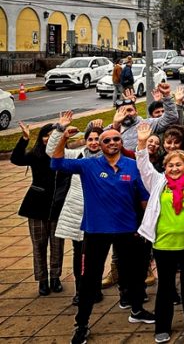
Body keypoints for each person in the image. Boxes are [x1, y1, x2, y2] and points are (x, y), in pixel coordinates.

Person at [51, 126, 154, 344]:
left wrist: (147, 227)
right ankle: (82, 324)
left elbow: (145, 199)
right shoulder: (88, 165)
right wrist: (63, 138)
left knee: (134, 274)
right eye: (106, 140)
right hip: (96, 231)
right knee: (90, 278)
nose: (112, 143)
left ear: (121, 142)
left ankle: (136, 309)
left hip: (127, 230)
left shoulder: (132, 166)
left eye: (116, 139)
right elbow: (56, 162)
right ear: (100, 145)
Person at [135, 118, 184, 343]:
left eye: (179, 164)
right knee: (166, 288)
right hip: (164, 244)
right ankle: (162, 326)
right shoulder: (157, 182)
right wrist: (141, 144)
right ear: (165, 167)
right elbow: (142, 165)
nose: (174, 168)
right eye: (170, 165)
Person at [45, 115, 104, 305]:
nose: (94, 142)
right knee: (79, 255)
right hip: (77, 213)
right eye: (90, 139)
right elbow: (51, 152)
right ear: (85, 141)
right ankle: (80, 290)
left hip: (99, 215)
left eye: (97, 139)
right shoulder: (77, 155)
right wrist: (60, 132)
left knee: (97, 255)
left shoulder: (108, 158)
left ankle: (95, 288)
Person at [11, 121, 68, 296]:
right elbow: (16, 159)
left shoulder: (65, 156)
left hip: (58, 206)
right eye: (46, 135)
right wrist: (24, 139)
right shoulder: (36, 155)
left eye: (53, 135)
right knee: (39, 245)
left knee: (57, 245)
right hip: (36, 206)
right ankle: (42, 280)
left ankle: (55, 277)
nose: (49, 139)